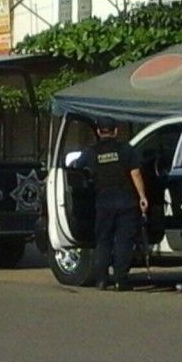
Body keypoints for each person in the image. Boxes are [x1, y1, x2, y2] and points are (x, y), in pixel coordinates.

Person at [77, 116, 149, 291]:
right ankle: (121, 280)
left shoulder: (91, 152)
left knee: (103, 241)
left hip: (103, 203)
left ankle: (101, 280)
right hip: (126, 203)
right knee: (124, 242)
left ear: (99, 132)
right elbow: (136, 173)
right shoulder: (126, 150)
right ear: (116, 131)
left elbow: (77, 169)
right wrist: (142, 197)